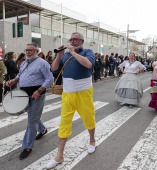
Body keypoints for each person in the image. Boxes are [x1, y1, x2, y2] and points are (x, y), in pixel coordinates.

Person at [46, 32, 96, 169]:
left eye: (76, 39)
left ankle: (92, 140)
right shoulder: (66, 55)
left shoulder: (88, 52)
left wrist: (73, 52)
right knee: (64, 122)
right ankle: (59, 155)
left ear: (82, 41)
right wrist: (59, 55)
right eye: (71, 39)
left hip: (83, 92)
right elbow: (54, 68)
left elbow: (88, 64)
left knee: (88, 117)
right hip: (68, 93)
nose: (72, 41)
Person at [6, 43, 53, 160]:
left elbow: (50, 78)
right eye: (26, 50)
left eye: (30, 50)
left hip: (37, 95)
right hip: (25, 95)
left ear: (36, 51)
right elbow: (20, 75)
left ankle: (27, 147)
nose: (28, 52)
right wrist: (14, 81)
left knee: (31, 121)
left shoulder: (42, 63)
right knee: (33, 117)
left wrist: (39, 90)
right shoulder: (24, 63)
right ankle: (42, 129)